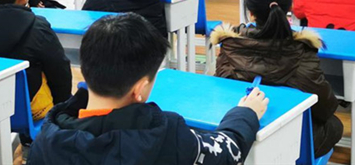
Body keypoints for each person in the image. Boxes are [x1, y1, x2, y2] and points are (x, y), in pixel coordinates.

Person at [29, 12, 267, 165]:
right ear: (140, 89)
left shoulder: (45, 141)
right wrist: (245, 113)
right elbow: (228, 152)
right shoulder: (165, 135)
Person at [211, 0, 343, 157]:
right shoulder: (301, 51)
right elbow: (326, 108)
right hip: (286, 146)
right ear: (289, 7)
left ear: (250, 12)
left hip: (240, 139)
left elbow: (222, 97)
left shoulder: (230, 45)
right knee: (335, 125)